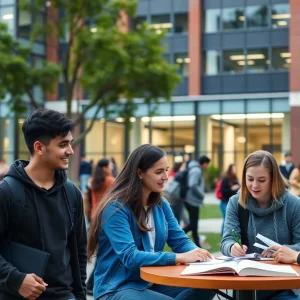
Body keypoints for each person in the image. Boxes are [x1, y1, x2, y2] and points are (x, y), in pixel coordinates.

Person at [87, 144, 216, 300]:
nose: (166, 177)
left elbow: (180, 241)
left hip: (150, 283)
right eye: (159, 172)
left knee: (208, 285)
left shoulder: (161, 205)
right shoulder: (116, 208)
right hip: (116, 288)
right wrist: (179, 258)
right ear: (140, 173)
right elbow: (131, 257)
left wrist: (201, 256)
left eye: (166, 170)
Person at [0, 108, 87, 300]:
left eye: (71, 144)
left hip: (64, 295)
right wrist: (16, 280)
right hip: (16, 295)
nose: (70, 151)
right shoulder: (7, 192)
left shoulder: (72, 193)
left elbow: (79, 252)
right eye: (63, 144)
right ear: (39, 147)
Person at [221, 150, 300, 300]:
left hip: (285, 286)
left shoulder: (293, 204)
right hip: (246, 285)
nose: (254, 185)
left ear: (273, 179)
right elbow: (226, 241)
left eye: (262, 180)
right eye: (249, 179)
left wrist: (285, 252)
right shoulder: (236, 203)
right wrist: (232, 247)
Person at [84, 158, 115, 295]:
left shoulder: (93, 180)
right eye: (110, 165)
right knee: (104, 252)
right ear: (105, 168)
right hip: (106, 217)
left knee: (101, 251)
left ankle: (90, 284)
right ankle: (91, 284)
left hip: (94, 216)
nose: (112, 167)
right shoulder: (110, 181)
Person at [183, 155, 210, 247]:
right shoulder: (196, 170)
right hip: (191, 201)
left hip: (192, 200)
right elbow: (192, 184)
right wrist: (202, 194)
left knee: (194, 225)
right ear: (204, 163)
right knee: (193, 224)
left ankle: (198, 245)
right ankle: (178, 235)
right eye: (207, 164)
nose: (207, 167)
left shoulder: (195, 169)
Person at [220, 164, 240, 235]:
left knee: (231, 220)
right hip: (225, 202)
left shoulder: (235, 178)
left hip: (233, 202)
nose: (235, 170)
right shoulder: (226, 179)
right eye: (233, 169)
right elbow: (223, 190)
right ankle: (224, 236)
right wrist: (232, 189)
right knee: (226, 219)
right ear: (230, 169)